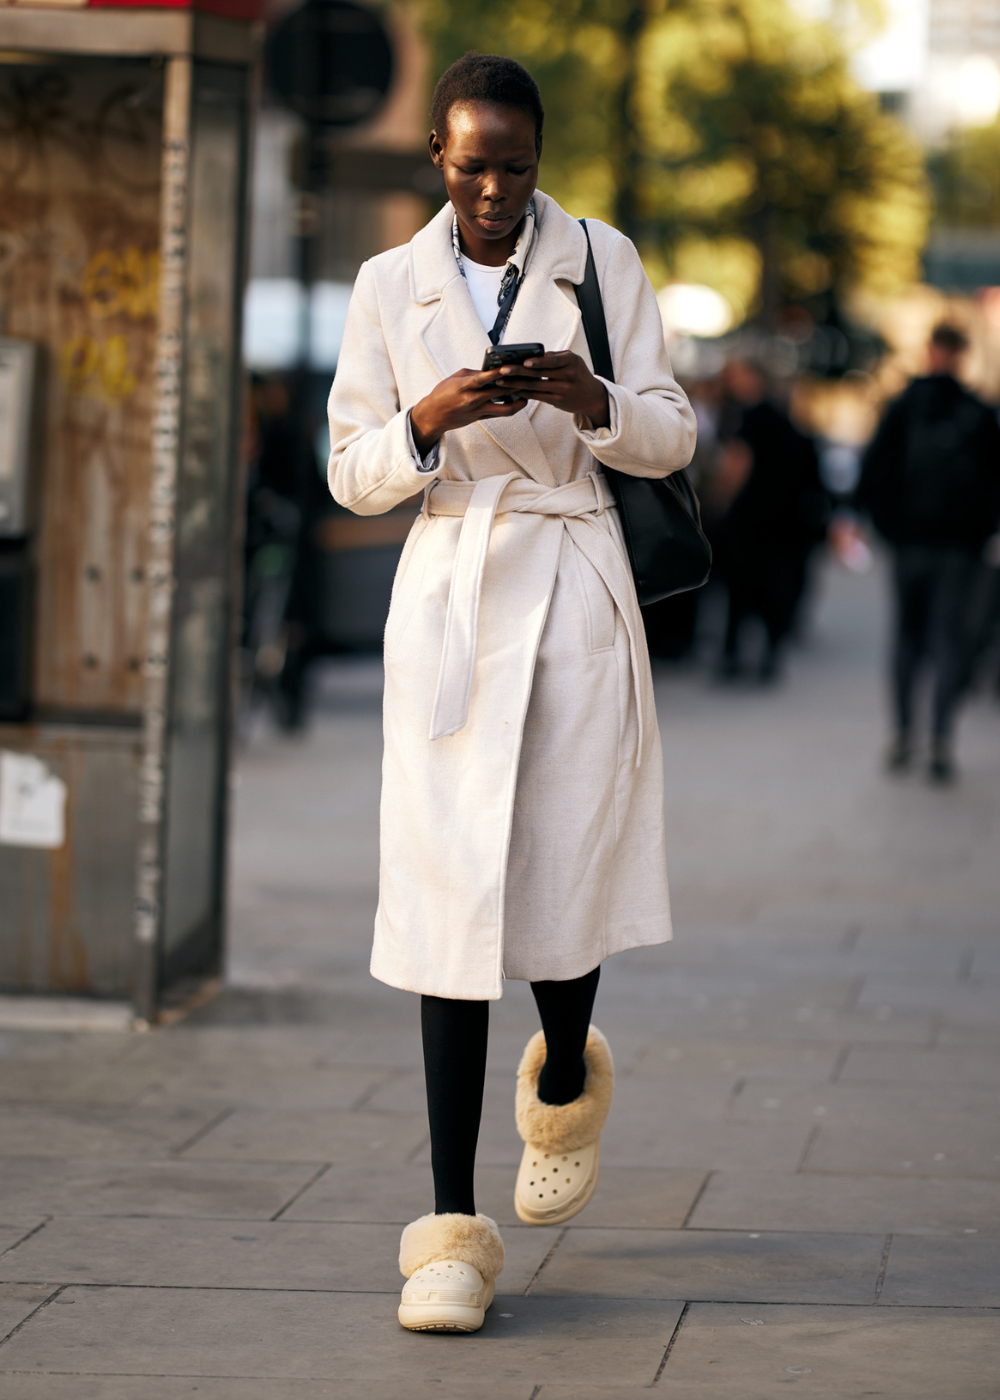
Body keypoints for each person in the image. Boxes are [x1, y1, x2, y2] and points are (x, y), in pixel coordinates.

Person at [326, 54, 696, 1334]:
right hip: (452, 598)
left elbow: (672, 431)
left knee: (564, 866)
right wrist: (426, 417)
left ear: (542, 158)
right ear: (437, 151)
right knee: (446, 902)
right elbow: (351, 473)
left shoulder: (604, 257)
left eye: (516, 166)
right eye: (472, 164)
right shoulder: (388, 284)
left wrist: (595, 402)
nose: (494, 190)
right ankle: (445, 1234)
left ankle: (561, 1079)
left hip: (576, 576)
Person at [856, 323, 1000, 782]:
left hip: (920, 545)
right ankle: (933, 738)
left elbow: (873, 470)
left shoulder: (906, 407)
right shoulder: (973, 412)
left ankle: (912, 736)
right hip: (953, 548)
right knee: (944, 640)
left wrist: (883, 526)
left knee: (913, 639)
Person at [711, 358, 827, 682]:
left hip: (750, 522)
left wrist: (719, 501)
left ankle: (733, 657)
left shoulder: (750, 421)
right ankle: (768, 658)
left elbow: (737, 465)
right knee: (773, 593)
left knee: (739, 591)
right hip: (785, 526)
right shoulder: (793, 427)